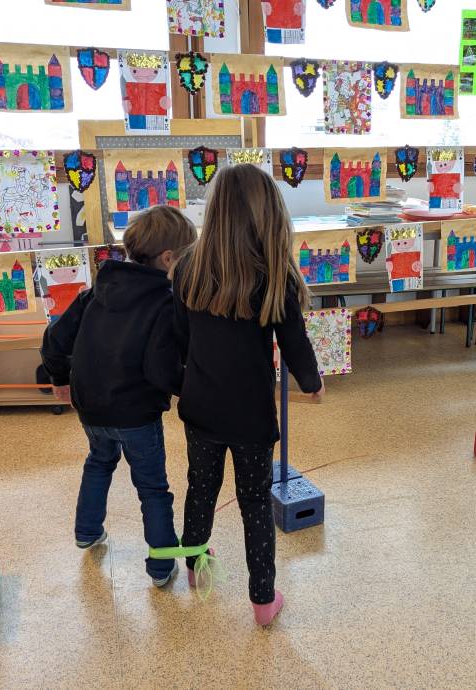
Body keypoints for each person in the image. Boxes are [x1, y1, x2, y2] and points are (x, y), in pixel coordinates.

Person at [172, 164, 324, 625]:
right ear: (270, 216)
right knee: (255, 501)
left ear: (215, 212)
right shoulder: (274, 276)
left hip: (200, 407)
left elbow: (180, 339)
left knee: (200, 487)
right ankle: (262, 601)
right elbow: (295, 342)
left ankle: (196, 565)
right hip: (252, 418)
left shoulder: (186, 267)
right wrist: (312, 384)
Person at [41, 206, 196, 588]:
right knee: (152, 487)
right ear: (168, 259)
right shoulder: (164, 304)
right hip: (136, 413)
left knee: (98, 462)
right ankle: (161, 565)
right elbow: (161, 368)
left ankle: (86, 531)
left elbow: (54, 340)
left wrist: (60, 377)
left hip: (90, 406)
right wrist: (192, 392)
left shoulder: (94, 293)